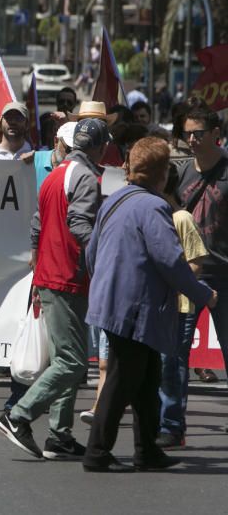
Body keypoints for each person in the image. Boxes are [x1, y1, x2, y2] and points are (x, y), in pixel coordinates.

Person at [82, 138, 216, 473]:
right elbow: (170, 261)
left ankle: (147, 451)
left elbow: (90, 253)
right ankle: (97, 452)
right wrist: (202, 294)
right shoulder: (153, 207)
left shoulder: (114, 201)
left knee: (146, 379)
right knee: (123, 379)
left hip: (112, 302)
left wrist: (104, 283)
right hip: (135, 307)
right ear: (161, 173)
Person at [0, 118, 109, 460]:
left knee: (65, 359)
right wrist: (104, 254)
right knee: (73, 362)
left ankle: (59, 434)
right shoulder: (85, 176)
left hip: (51, 274)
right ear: (100, 146)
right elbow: (79, 224)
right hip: (67, 276)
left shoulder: (56, 173)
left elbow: (38, 224)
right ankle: (18, 415)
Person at [167, 105, 228, 431]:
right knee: (176, 355)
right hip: (187, 275)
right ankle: (172, 426)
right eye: (187, 133)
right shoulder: (181, 172)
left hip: (224, 277)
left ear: (215, 134)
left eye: (198, 133)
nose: (191, 139)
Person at [154, 163, 209, 448]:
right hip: (158, 305)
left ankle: (173, 426)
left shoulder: (182, 217)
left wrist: (175, 283)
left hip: (182, 305)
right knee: (160, 364)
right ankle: (163, 422)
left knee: (173, 364)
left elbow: (197, 261)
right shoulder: (153, 214)